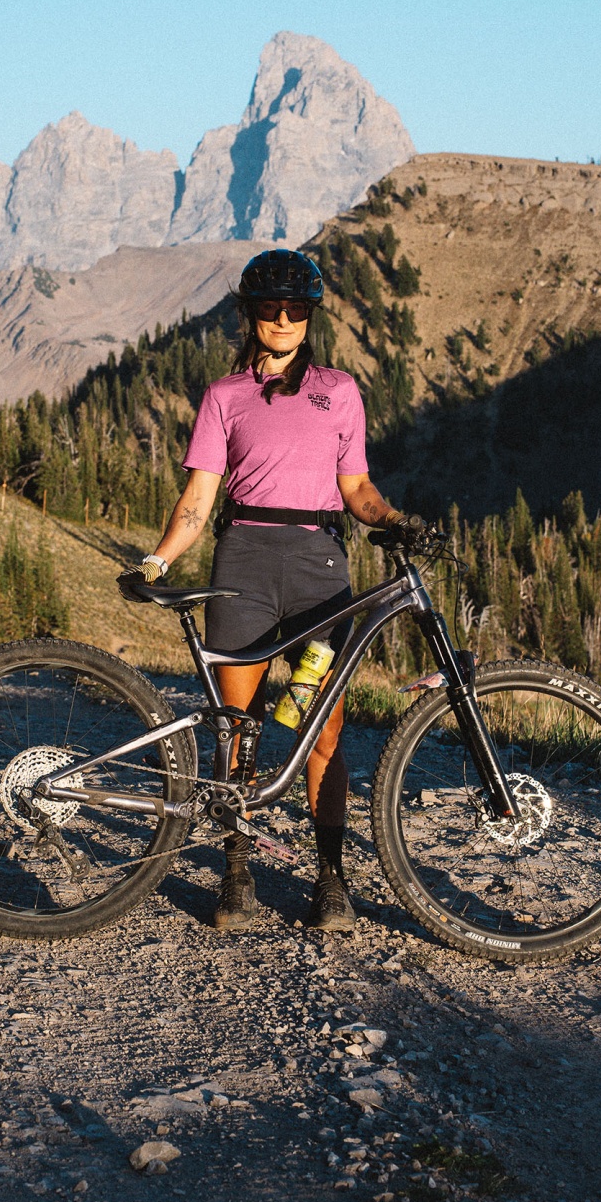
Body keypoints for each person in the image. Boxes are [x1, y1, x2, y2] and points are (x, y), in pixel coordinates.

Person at [135, 247, 410, 934]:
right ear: (250, 316)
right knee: (240, 733)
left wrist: (397, 522)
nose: (282, 320)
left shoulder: (340, 390)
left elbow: (356, 489)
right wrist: (159, 561)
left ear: (310, 315)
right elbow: (199, 498)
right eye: (269, 309)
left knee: (324, 733)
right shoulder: (224, 397)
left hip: (319, 567)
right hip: (244, 563)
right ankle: (235, 871)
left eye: (294, 309)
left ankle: (332, 879)